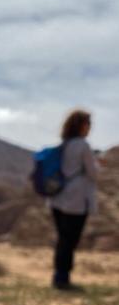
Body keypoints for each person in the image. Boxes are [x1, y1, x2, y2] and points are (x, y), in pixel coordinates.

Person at [50, 108, 98, 292]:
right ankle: (63, 278)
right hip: (76, 202)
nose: (90, 128)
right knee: (70, 241)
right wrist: (96, 165)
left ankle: (59, 276)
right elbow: (93, 174)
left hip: (57, 199)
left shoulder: (64, 145)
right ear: (82, 125)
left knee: (63, 240)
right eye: (89, 124)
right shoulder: (83, 145)